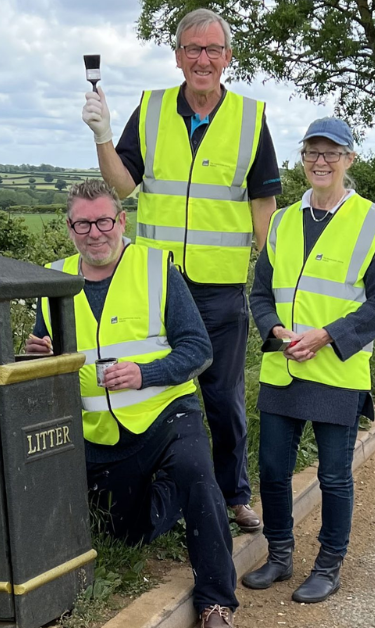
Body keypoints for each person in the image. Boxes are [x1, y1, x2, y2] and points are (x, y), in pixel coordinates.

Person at [80, 8, 282, 532]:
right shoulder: (149, 111)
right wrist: (102, 135)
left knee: (222, 395)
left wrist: (276, 276)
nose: (203, 59)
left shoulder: (251, 117)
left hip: (219, 286)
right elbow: (124, 186)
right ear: (177, 57)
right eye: (192, 49)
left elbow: (264, 205)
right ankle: (157, 496)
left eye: (213, 50)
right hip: (156, 285)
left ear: (228, 58)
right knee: (153, 391)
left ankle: (234, 493)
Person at [26, 180, 238, 628]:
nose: (94, 232)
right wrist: (40, 360)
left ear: (122, 221)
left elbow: (199, 349)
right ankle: (169, 503)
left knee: (197, 473)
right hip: (100, 435)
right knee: (127, 532)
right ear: (69, 228)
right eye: (82, 223)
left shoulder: (156, 268)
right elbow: (49, 364)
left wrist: (147, 373)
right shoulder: (54, 281)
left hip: (168, 416)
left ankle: (216, 602)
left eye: (104, 220)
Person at [242, 117, 375, 604]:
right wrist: (273, 329)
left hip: (336, 371)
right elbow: (261, 292)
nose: (321, 162)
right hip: (282, 367)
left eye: (332, 153)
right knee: (271, 470)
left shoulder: (371, 221)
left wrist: (328, 336)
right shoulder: (284, 220)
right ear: (302, 158)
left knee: (333, 476)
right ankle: (281, 555)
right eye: (312, 152)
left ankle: (329, 565)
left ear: (350, 159)